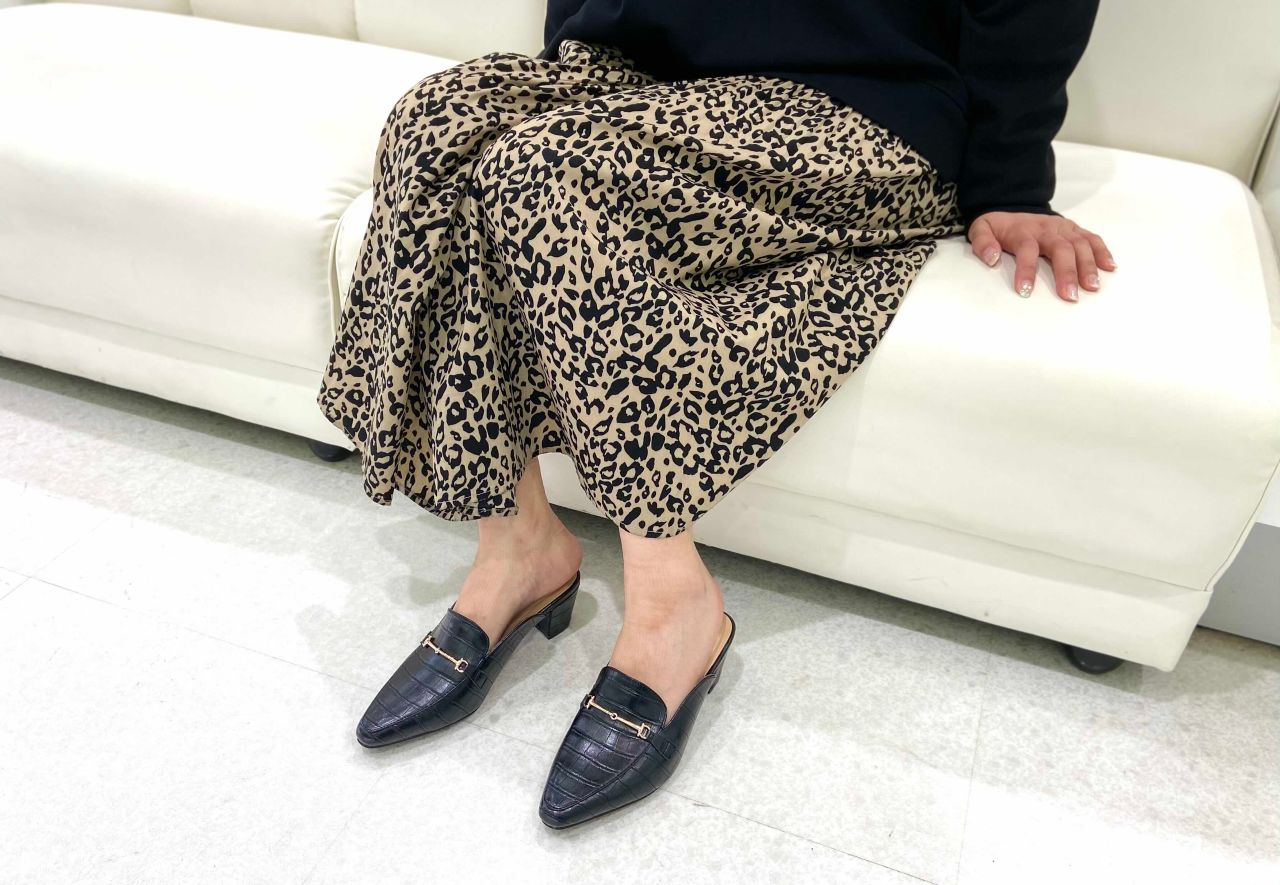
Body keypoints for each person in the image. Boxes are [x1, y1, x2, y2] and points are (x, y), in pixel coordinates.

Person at [316, 0, 1111, 829]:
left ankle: (674, 605)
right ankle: (518, 550)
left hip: (868, 100)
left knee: (541, 171)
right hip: (653, 74)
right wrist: (577, 51)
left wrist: (1011, 180)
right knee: (434, 123)